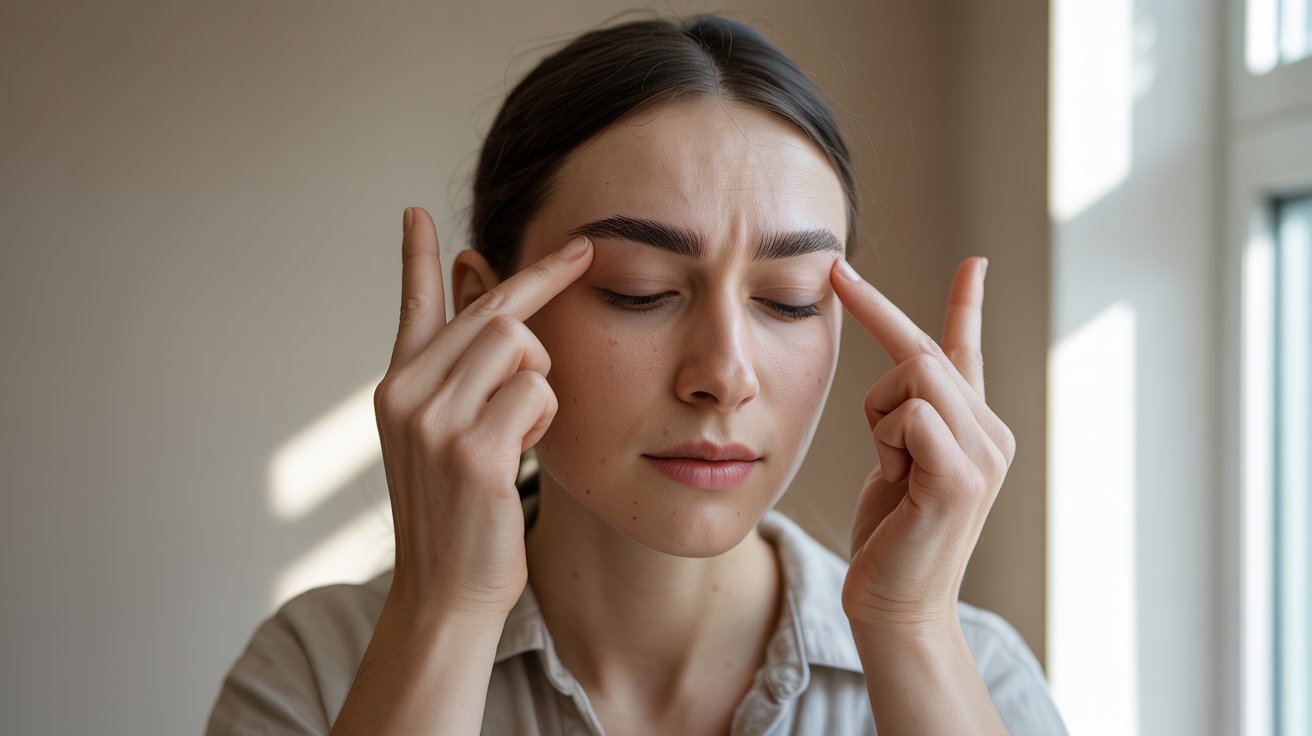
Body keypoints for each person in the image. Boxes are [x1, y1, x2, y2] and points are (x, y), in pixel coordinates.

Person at [207, 14, 1067, 735]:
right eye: (640, 290)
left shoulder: (978, 678)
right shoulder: (316, 672)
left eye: (790, 300)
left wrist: (913, 632)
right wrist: (448, 614)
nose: (724, 376)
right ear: (487, 312)